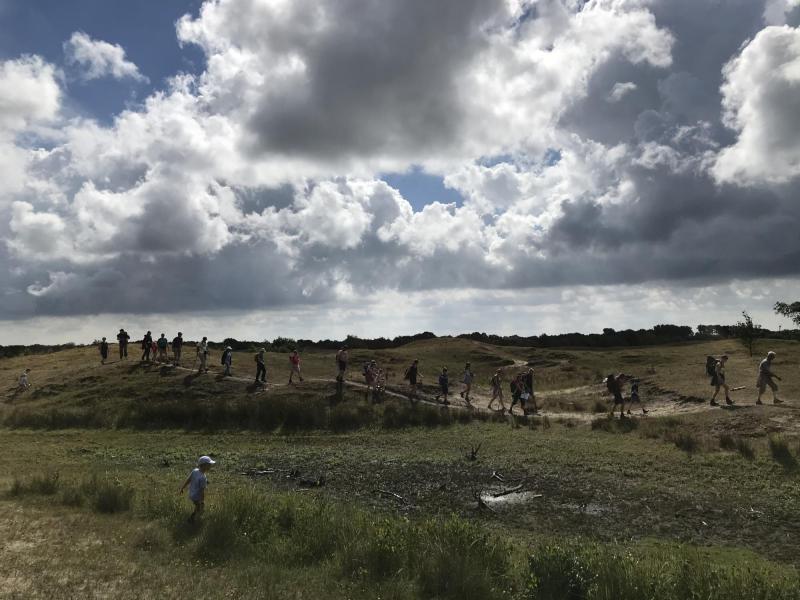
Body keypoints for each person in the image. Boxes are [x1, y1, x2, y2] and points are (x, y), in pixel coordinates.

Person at [179, 455, 215, 524]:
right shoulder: (203, 478)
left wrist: (182, 488)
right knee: (200, 507)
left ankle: (195, 516)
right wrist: (202, 500)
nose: (211, 466)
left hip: (191, 494)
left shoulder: (195, 471)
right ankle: (192, 519)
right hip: (197, 496)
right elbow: (202, 491)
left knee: (198, 506)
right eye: (209, 464)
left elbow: (189, 479)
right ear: (204, 465)